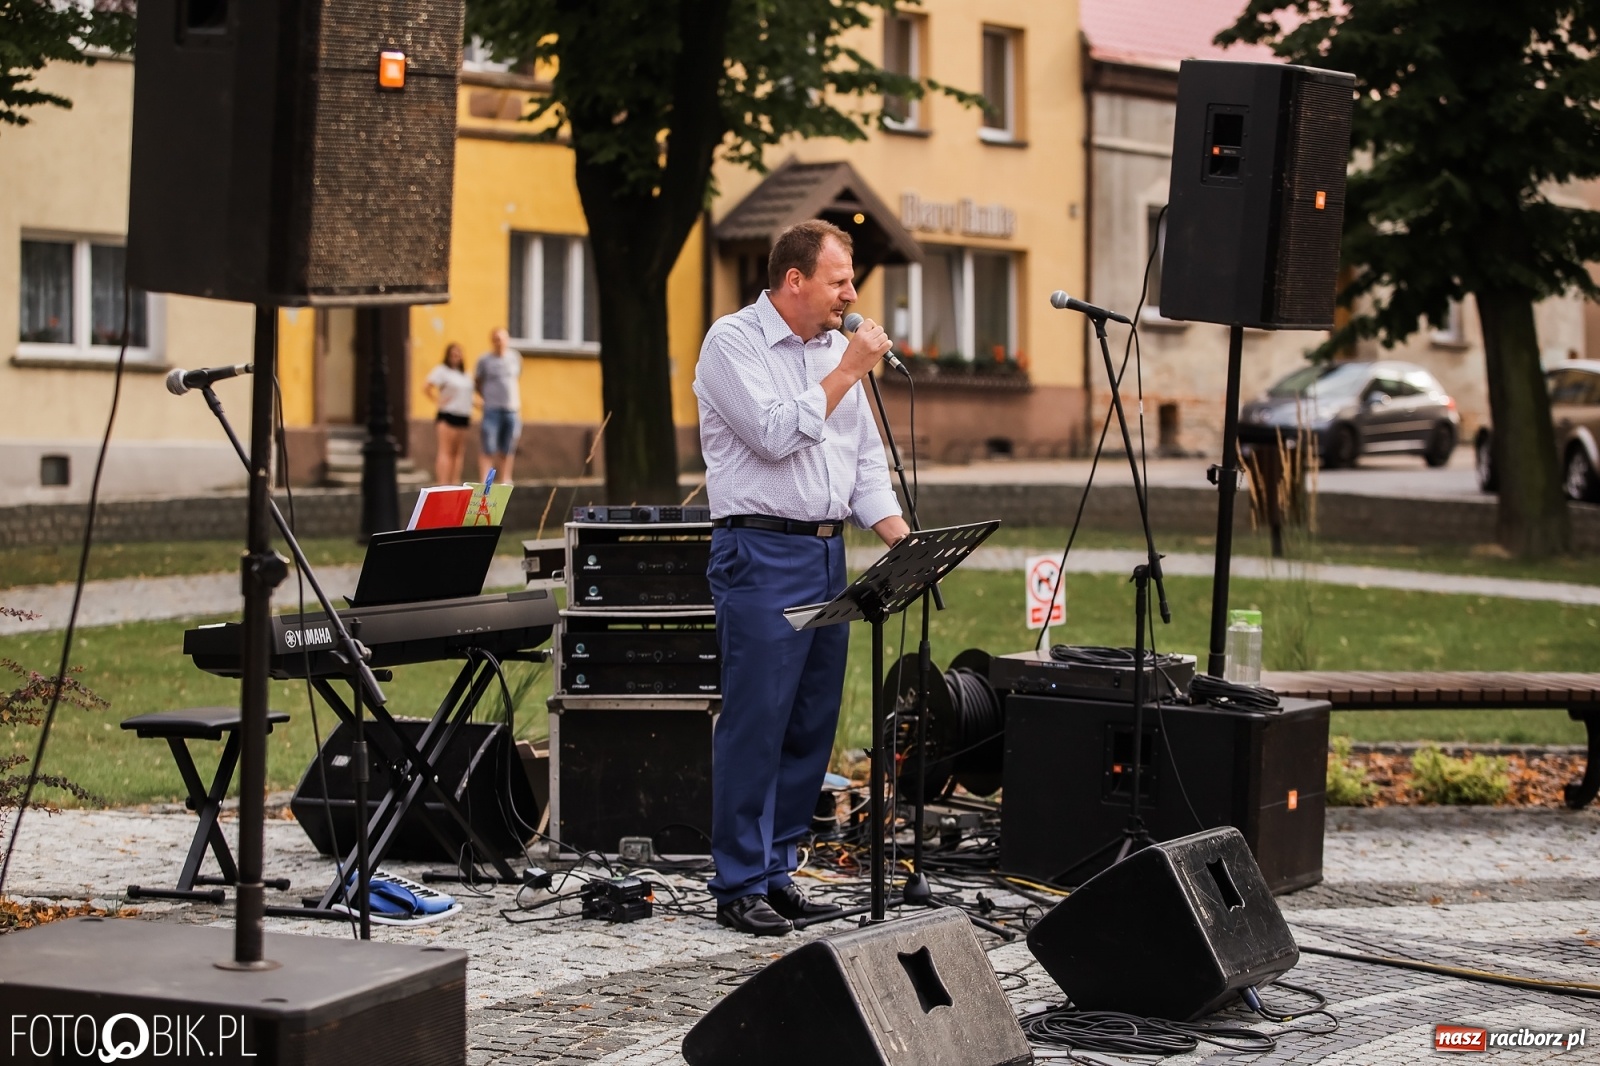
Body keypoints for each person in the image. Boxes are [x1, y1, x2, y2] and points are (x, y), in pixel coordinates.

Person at [693, 219, 910, 936]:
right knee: (757, 719)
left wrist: (903, 541)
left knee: (809, 722)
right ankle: (738, 882)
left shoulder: (829, 351)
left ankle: (778, 870)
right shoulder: (734, 343)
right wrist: (848, 370)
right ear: (796, 281)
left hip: (826, 551)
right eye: (840, 280)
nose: (852, 294)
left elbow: (864, 463)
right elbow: (773, 432)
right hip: (760, 552)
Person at [474, 327, 521, 483]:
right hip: (491, 409)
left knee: (508, 447)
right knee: (488, 447)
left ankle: (505, 479)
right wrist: (484, 398)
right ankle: (486, 481)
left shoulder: (515, 358)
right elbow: (477, 381)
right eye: (496, 339)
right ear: (492, 341)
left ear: (507, 340)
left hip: (511, 409)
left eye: (502, 338)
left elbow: (517, 377)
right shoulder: (484, 360)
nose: (499, 342)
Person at [423, 342, 474, 484]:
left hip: (463, 415)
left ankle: (455, 482)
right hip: (448, 415)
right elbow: (426, 386)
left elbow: (470, 395)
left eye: (458, 354)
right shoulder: (442, 371)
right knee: (445, 451)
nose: (456, 357)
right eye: (453, 354)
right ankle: (442, 482)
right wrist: (437, 400)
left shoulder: (466, 374)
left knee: (458, 453)